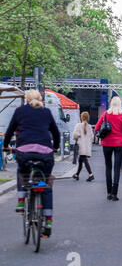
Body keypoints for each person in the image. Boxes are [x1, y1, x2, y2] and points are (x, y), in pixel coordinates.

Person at [3, 90, 60, 237]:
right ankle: (48, 220)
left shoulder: (20, 111)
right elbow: (56, 133)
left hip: (24, 153)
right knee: (46, 183)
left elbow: (9, 131)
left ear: (26, 99)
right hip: (45, 154)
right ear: (40, 99)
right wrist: (55, 147)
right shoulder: (46, 112)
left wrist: (6, 146)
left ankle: (21, 200)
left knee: (22, 172)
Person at [95, 96, 122, 201]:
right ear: (121, 105)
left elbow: (97, 127)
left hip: (106, 143)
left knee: (108, 167)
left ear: (111, 104)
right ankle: (115, 193)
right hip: (119, 144)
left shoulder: (105, 114)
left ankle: (108, 193)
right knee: (117, 168)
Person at [72, 112, 95, 182]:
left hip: (80, 146)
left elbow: (75, 136)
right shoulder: (90, 126)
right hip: (87, 146)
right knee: (80, 161)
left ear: (81, 117)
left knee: (84, 160)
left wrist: (77, 138)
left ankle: (91, 174)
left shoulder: (78, 125)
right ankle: (77, 175)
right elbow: (92, 138)